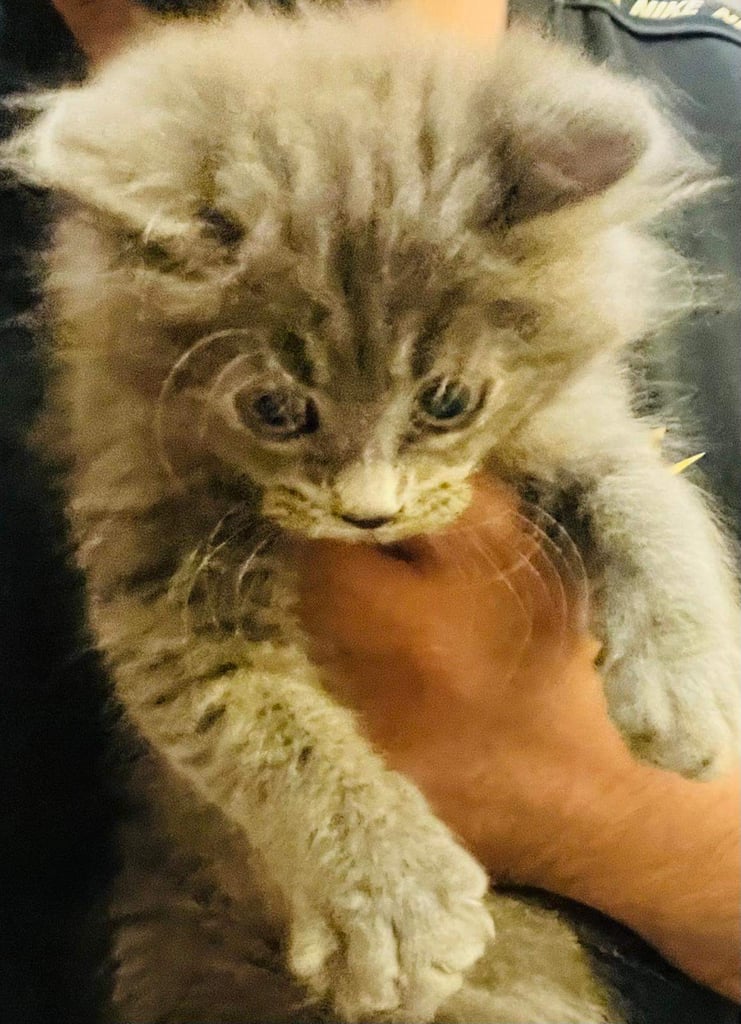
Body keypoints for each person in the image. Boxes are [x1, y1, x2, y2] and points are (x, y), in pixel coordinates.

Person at [5, 0, 739, 1020]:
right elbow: (169, 628)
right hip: (211, 930)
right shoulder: (132, 291)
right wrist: (355, 839)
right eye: (278, 410)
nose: (369, 493)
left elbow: (605, 459)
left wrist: (613, 812)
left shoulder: (715, 99)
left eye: (444, 403)